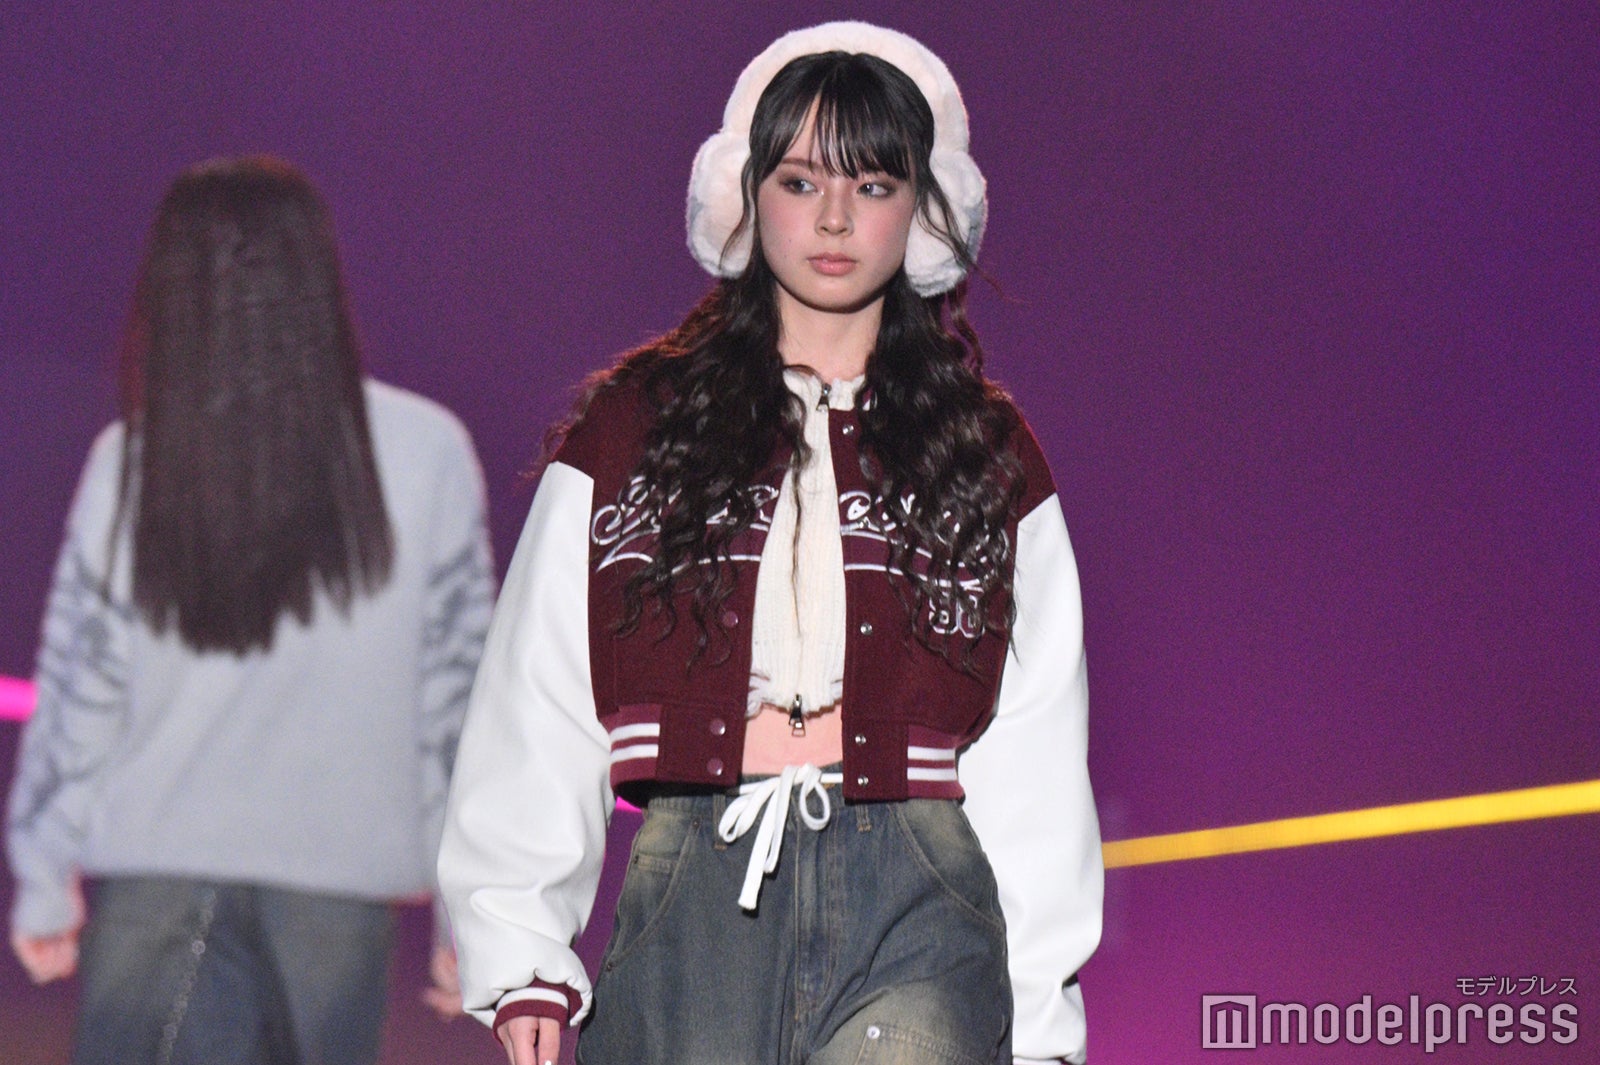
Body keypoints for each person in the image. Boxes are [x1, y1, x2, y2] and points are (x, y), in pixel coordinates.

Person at [439, 21, 1102, 1065]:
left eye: (874, 184)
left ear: (923, 211)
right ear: (743, 196)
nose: (834, 216)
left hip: (919, 892)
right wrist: (518, 947)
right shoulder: (635, 428)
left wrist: (1044, 1028)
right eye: (799, 181)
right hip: (694, 885)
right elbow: (540, 690)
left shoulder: (983, 451)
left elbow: (1034, 748)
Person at [6, 156, 495, 1065]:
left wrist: (42, 876)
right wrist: (474, 911)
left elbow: (82, 689)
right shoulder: (426, 452)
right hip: (339, 900)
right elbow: (459, 707)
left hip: (156, 886)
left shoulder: (135, 459)